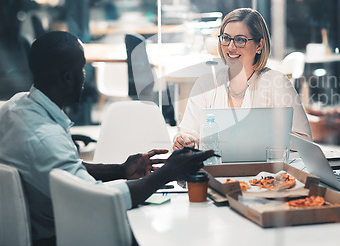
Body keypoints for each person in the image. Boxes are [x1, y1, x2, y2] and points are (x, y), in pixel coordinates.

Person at [0, 31, 214, 246]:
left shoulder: (16, 106)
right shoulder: (44, 139)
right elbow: (100, 201)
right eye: (82, 68)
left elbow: (65, 170)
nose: (85, 76)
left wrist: (120, 170)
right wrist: (168, 173)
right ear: (67, 76)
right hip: (62, 236)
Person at [173, 8, 311, 149]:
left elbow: (304, 140)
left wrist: (262, 141)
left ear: (259, 45)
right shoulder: (206, 83)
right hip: (215, 169)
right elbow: (188, 133)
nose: (231, 47)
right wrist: (184, 141)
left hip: (266, 171)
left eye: (240, 40)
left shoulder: (277, 83)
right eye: (226, 38)